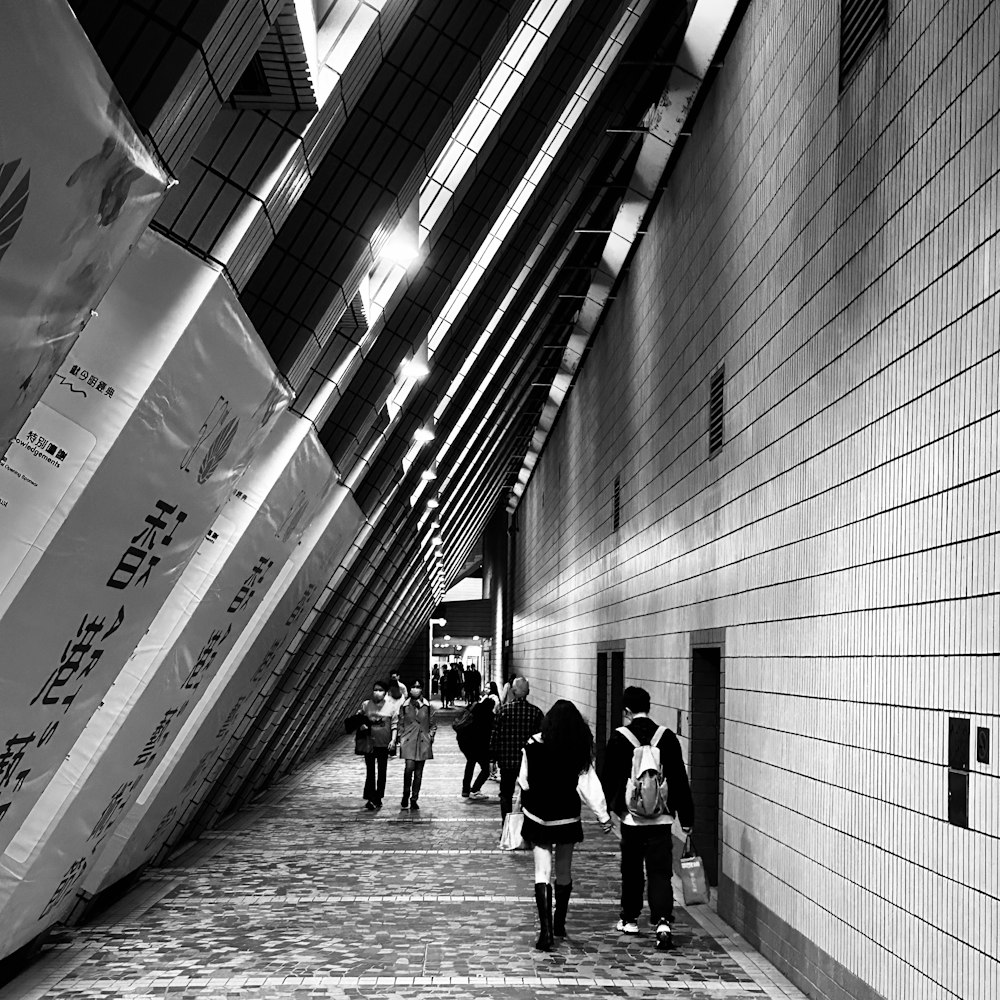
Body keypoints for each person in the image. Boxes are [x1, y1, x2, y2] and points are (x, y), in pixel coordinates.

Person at [601, 685, 694, 951]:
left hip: (631, 820)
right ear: (648, 707)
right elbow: (679, 779)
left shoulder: (619, 738)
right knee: (660, 871)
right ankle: (663, 921)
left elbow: (609, 778)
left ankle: (630, 919)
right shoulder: (667, 737)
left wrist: (606, 810)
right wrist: (687, 817)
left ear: (627, 711)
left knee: (631, 869)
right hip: (662, 819)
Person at [518, 699, 612, 950]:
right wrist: (603, 817)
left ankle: (545, 932)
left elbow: (523, 781)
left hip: (538, 815)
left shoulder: (532, 744)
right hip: (567, 816)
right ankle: (559, 923)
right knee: (564, 870)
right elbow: (589, 786)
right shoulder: (578, 747)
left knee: (542, 872)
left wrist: (525, 801)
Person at [489, 676, 543, 820]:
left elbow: (495, 736)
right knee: (528, 794)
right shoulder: (536, 713)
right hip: (529, 762)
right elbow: (541, 739)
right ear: (528, 692)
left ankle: (507, 827)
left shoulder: (503, 711)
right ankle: (526, 827)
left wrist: (492, 759)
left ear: (513, 691)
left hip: (507, 761)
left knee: (506, 794)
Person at [355, 679, 397, 810]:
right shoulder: (366, 705)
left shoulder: (391, 707)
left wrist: (393, 740)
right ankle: (371, 797)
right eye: (375, 690)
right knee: (370, 771)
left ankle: (378, 797)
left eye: (380, 690)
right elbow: (358, 717)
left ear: (385, 693)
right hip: (369, 744)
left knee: (382, 771)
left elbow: (394, 725)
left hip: (384, 744)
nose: (377, 692)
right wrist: (361, 724)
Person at [395, 679, 437, 810]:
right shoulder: (405, 705)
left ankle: (414, 798)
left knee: (418, 773)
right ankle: (405, 794)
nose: (415, 689)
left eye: (418, 687)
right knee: (409, 768)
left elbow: (433, 724)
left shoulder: (428, 706)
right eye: (413, 686)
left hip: (423, 741)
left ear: (422, 689)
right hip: (408, 741)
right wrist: (401, 736)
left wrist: (430, 736)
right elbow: (400, 722)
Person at [457, 693, 495, 799]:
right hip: (478, 745)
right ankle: (475, 789)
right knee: (486, 769)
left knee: (470, 764)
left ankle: (465, 790)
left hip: (465, 742)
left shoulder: (474, 708)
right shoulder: (489, 717)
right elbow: (487, 736)